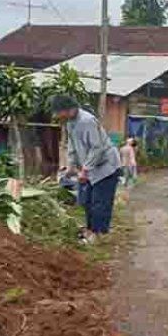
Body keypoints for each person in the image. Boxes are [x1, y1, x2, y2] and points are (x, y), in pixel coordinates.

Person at [51, 95, 122, 244]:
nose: (57, 116)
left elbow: (97, 148)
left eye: (58, 112)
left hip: (106, 166)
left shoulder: (87, 121)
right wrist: (70, 166)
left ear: (69, 109)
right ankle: (90, 229)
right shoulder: (70, 123)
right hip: (91, 167)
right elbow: (72, 146)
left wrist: (85, 170)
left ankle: (96, 234)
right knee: (86, 200)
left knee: (99, 202)